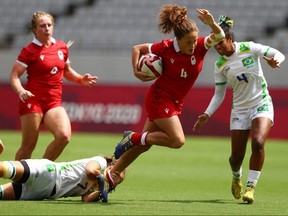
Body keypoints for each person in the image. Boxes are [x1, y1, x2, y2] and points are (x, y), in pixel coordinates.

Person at [103, 5, 225, 190]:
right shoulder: (166, 48)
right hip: (160, 99)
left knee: (145, 144)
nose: (192, 46)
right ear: (178, 40)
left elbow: (220, 37)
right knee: (177, 141)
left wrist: (212, 23)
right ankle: (133, 137)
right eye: (188, 42)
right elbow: (137, 48)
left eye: (194, 41)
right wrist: (136, 71)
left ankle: (112, 174)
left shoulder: (200, 46)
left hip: (175, 101)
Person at [192, 15, 285, 204]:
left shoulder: (249, 48)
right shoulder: (220, 66)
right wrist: (207, 114)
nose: (217, 48)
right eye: (214, 45)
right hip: (240, 110)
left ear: (229, 39)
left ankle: (250, 188)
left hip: (261, 103)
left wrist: (276, 60)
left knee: (258, 143)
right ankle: (236, 177)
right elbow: (219, 94)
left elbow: (278, 53)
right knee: (235, 158)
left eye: (220, 43)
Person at [9, 11, 98, 161]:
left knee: (64, 136)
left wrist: (80, 79)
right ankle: (18, 182)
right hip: (33, 101)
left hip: (53, 102)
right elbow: (14, 76)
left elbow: (67, 71)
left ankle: (40, 173)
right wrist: (21, 90)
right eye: (42, 26)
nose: (47, 29)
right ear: (34, 30)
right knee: (28, 146)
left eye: (49, 25)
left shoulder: (61, 47)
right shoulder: (29, 51)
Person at [0, 153, 125, 202]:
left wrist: (105, 190)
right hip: (48, 172)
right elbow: (90, 170)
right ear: (112, 167)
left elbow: (86, 199)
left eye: (117, 181)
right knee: (5, 169)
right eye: (117, 175)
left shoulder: (95, 185)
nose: (115, 180)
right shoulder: (101, 162)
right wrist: (102, 179)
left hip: (43, 193)